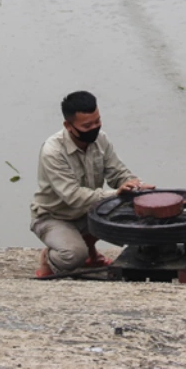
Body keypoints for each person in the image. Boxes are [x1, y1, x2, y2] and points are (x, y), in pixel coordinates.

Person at [31, 91, 154, 278]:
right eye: (87, 125)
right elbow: (73, 197)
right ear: (68, 125)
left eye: (97, 121)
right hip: (55, 216)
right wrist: (115, 194)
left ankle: (91, 252)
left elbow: (118, 173)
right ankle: (49, 258)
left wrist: (135, 186)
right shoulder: (53, 152)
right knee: (72, 256)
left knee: (132, 211)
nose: (94, 128)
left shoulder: (101, 139)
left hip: (88, 212)